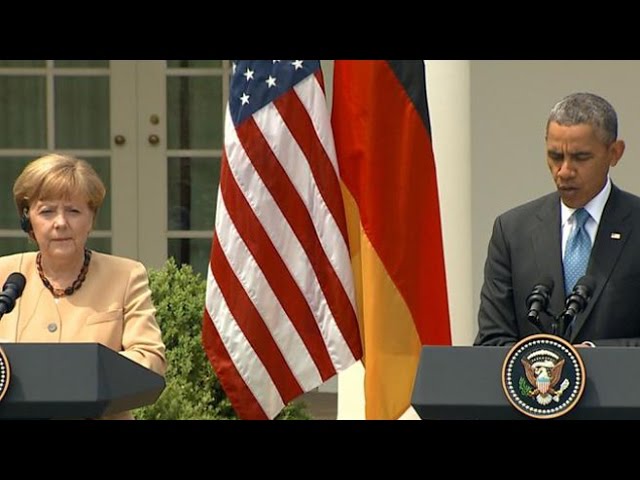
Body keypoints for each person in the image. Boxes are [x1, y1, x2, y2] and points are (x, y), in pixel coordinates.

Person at [0, 153, 166, 419]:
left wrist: (84, 370)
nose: (60, 223)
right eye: (47, 211)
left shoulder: (125, 276)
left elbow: (151, 360)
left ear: (91, 219)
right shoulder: (5, 274)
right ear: (27, 220)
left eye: (74, 211)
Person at [475, 92, 640, 347]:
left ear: (614, 153)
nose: (564, 171)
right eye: (555, 156)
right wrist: (547, 359)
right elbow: (491, 341)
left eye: (580, 157)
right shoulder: (512, 232)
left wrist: (592, 355)